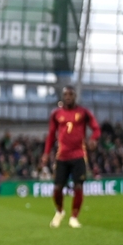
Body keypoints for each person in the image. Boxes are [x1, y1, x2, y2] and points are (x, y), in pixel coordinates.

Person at [42, 85, 101, 228]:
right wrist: (46, 153)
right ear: (63, 96)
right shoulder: (56, 114)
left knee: (78, 186)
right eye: (66, 94)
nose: (68, 96)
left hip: (79, 155)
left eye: (71, 94)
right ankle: (60, 211)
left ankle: (74, 217)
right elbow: (51, 135)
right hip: (61, 156)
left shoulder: (84, 112)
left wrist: (93, 139)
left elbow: (96, 129)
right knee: (57, 188)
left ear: (75, 96)